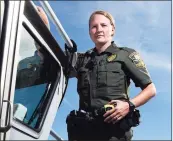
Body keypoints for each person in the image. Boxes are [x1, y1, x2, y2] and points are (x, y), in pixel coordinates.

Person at [65, 10, 156, 141]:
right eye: (94, 26)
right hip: (83, 132)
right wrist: (41, 23)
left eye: (104, 25)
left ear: (112, 29)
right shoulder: (81, 59)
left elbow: (150, 89)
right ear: (90, 32)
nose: (99, 30)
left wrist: (129, 105)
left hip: (114, 132)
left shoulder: (125, 55)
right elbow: (49, 58)